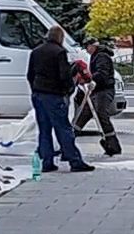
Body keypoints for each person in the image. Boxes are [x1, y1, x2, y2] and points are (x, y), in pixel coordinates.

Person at [27, 25, 92, 172]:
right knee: (63, 129)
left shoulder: (36, 52)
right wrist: (68, 91)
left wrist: (35, 89)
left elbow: (30, 75)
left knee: (44, 130)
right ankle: (74, 161)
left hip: (38, 94)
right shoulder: (59, 52)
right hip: (54, 95)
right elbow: (64, 76)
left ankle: (47, 162)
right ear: (60, 38)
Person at [75, 37, 123, 156]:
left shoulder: (101, 56)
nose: (86, 50)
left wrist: (90, 79)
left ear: (93, 46)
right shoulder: (97, 56)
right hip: (98, 90)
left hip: (104, 90)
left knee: (101, 113)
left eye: (87, 47)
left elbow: (102, 74)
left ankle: (113, 144)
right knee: (85, 113)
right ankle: (69, 139)